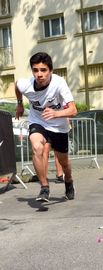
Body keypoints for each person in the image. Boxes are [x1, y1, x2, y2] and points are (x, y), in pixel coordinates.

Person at [15, 52, 77, 202]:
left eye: (43, 70)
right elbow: (17, 85)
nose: (39, 74)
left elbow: (73, 110)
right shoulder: (27, 84)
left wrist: (56, 114)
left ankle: (68, 181)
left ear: (51, 71)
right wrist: (19, 104)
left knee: (64, 162)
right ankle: (44, 187)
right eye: (35, 70)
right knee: (37, 147)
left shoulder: (59, 83)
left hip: (58, 126)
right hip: (38, 121)